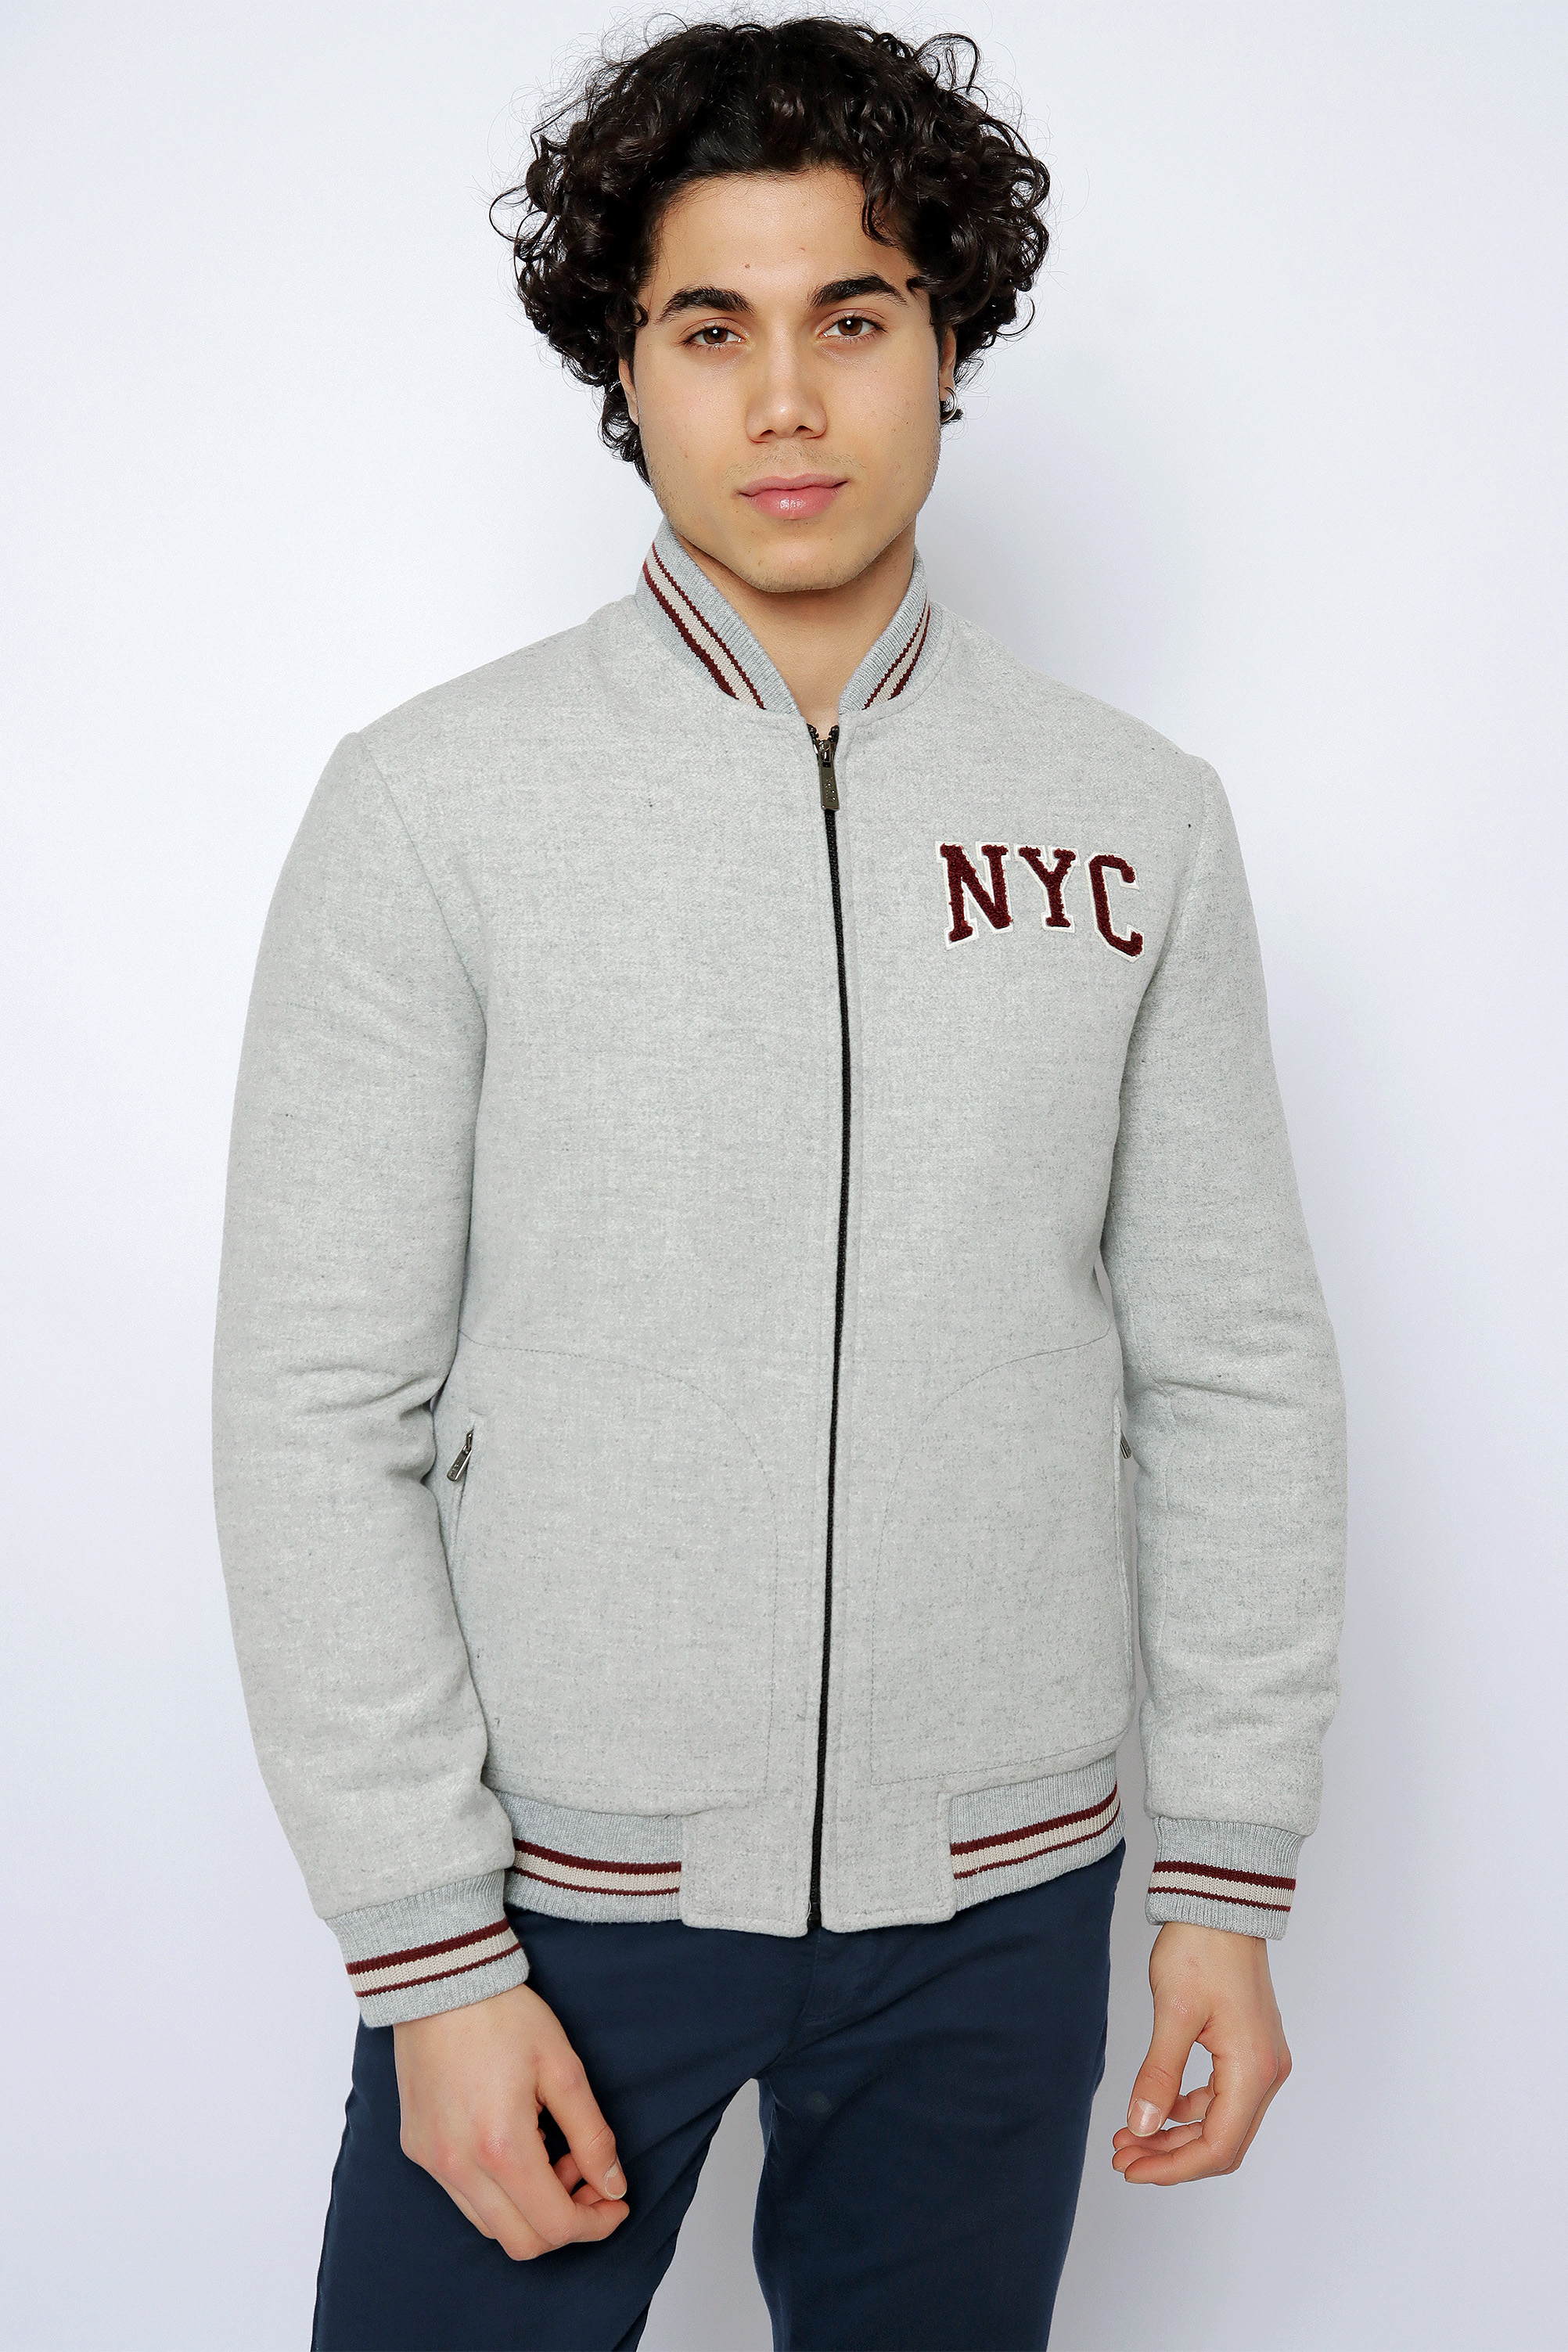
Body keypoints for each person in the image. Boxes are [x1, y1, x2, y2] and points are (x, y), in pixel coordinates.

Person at [211, 17, 1347, 2350]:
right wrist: (430, 1954)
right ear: (626, 371)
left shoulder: (1134, 817)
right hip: (557, 1911)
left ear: (948, 342)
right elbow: (316, 1407)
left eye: (855, 315)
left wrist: (1223, 1886)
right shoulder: (434, 808)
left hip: (1004, 1911)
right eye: (711, 329)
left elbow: (1230, 1371)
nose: (792, 400)